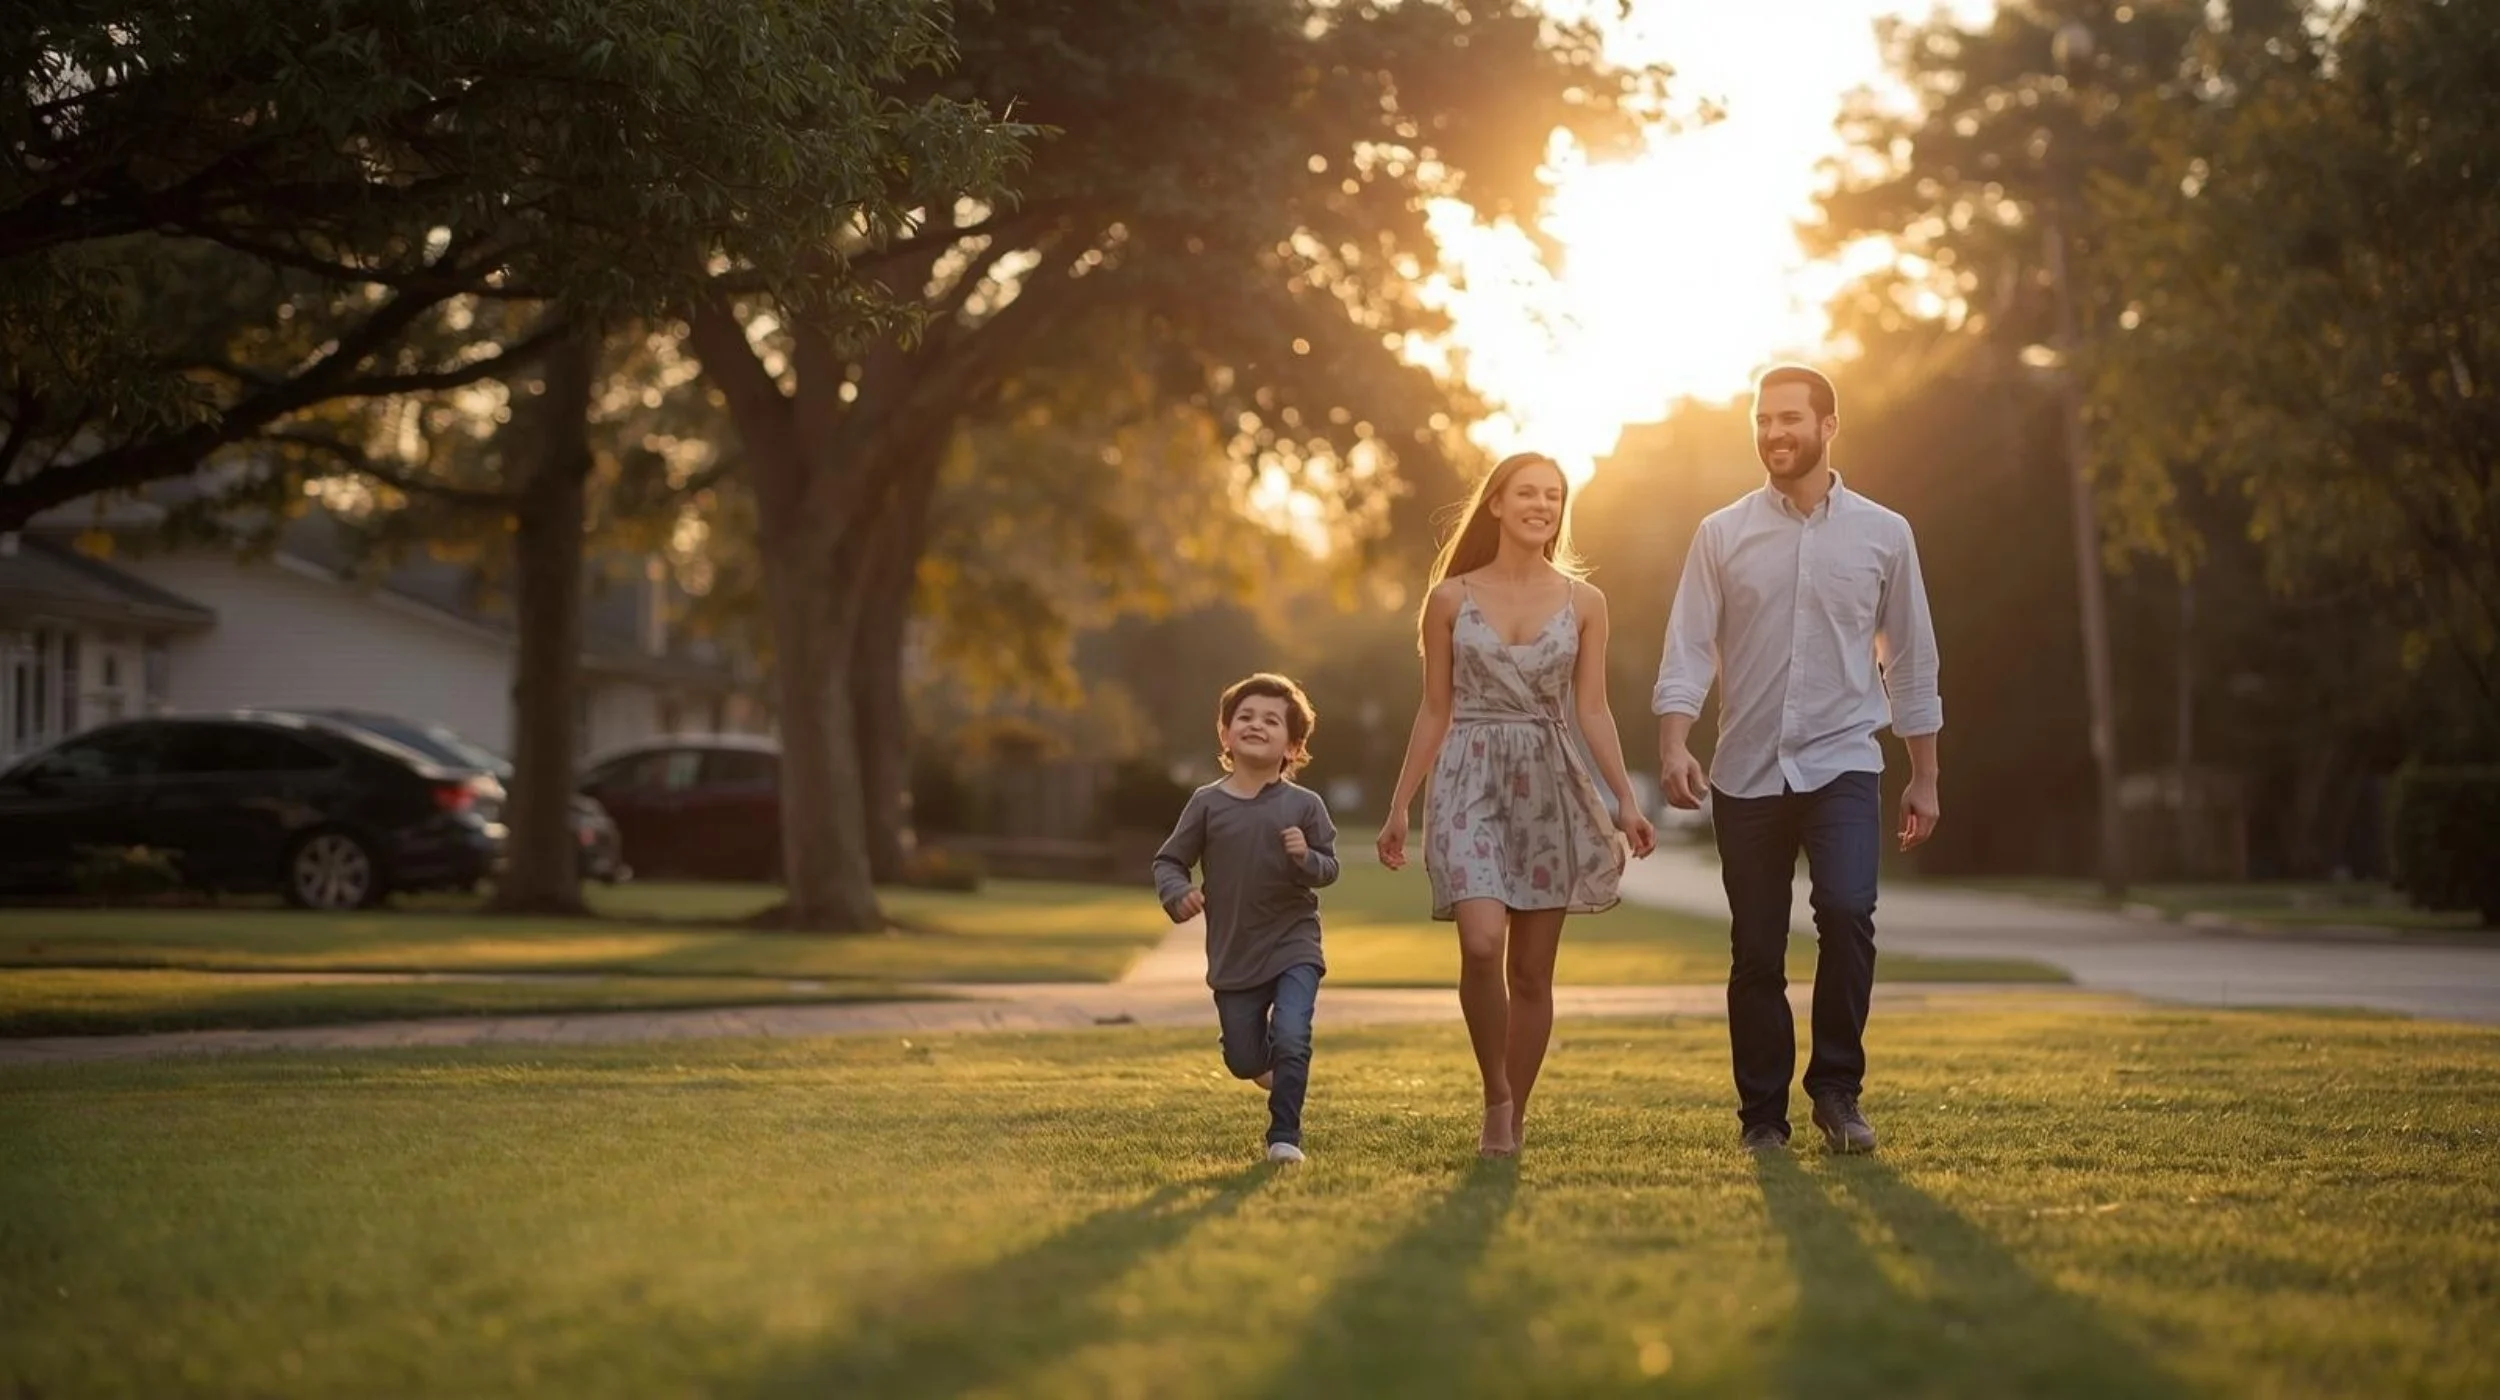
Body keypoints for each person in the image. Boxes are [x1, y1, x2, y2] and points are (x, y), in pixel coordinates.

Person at [1653, 364, 1943, 1156]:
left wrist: (1924, 773)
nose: (1775, 433)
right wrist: (1676, 740)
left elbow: (1912, 659)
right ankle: (1762, 1119)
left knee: (1849, 913)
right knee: (1757, 950)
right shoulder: (1723, 533)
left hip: (1845, 758)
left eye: (1790, 418)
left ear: (1827, 426)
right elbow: (1687, 648)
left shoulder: (1885, 534)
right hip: (1746, 768)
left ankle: (1838, 1092)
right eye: (1763, 419)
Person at [1376, 451, 1658, 1158]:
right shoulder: (1448, 599)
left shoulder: (1585, 602)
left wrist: (1624, 799)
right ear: (1496, 504)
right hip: (1468, 774)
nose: (1542, 505)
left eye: (1554, 497)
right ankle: (1495, 1092)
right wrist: (1399, 806)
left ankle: (1509, 1113)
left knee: (1531, 972)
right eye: (1527, 493)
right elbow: (1433, 710)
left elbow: (1592, 710)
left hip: (1550, 781)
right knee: (1480, 943)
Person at [1153, 672, 1340, 1165]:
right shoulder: (1206, 804)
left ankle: (1285, 1137)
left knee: (1294, 1032)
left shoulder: (1306, 806)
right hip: (1235, 952)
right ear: (1225, 733)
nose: (1257, 725)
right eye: (1246, 717)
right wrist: (1178, 894)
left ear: (1293, 746)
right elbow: (1168, 861)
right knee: (1243, 1059)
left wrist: (1306, 859)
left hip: (1294, 943)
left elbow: (1330, 868)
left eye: (1272, 721)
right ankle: (1266, 1064)